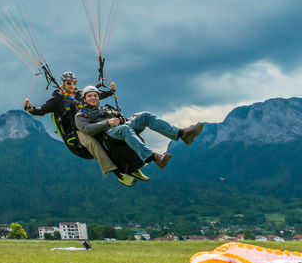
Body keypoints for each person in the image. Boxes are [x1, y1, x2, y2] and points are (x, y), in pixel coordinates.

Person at [24, 71, 136, 187]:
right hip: (76, 135)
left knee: (113, 132)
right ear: (63, 84)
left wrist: (111, 91)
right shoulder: (58, 98)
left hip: (90, 124)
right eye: (69, 83)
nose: (72, 86)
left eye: (74, 83)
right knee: (93, 143)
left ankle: (131, 162)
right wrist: (31, 109)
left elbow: (95, 96)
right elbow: (43, 109)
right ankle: (118, 174)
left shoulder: (80, 94)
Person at [75, 85, 204, 178]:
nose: (93, 98)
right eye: (89, 96)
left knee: (144, 115)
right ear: (84, 99)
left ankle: (183, 134)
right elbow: (86, 130)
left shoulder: (107, 108)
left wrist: (133, 118)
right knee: (124, 128)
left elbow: (122, 119)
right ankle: (155, 157)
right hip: (108, 136)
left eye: (95, 95)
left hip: (122, 127)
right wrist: (106, 123)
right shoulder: (81, 115)